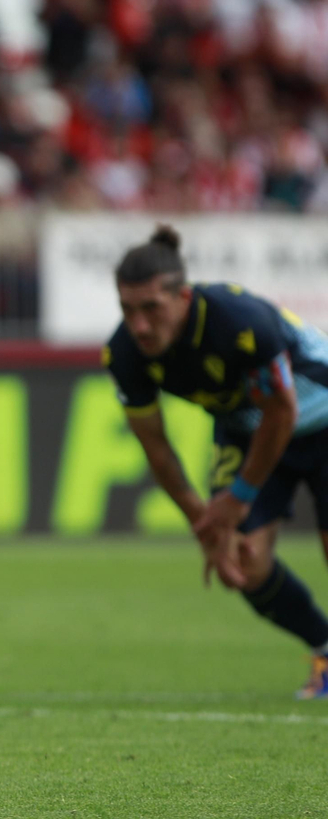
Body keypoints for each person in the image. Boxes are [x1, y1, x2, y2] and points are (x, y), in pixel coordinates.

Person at [106, 226, 328, 699]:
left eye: (151, 309)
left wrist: (239, 497)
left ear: (183, 297)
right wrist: (204, 522)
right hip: (250, 430)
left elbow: (282, 410)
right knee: (242, 564)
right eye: (128, 309)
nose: (139, 325)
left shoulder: (238, 322)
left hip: (317, 416)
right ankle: (325, 649)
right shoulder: (125, 352)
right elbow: (156, 446)